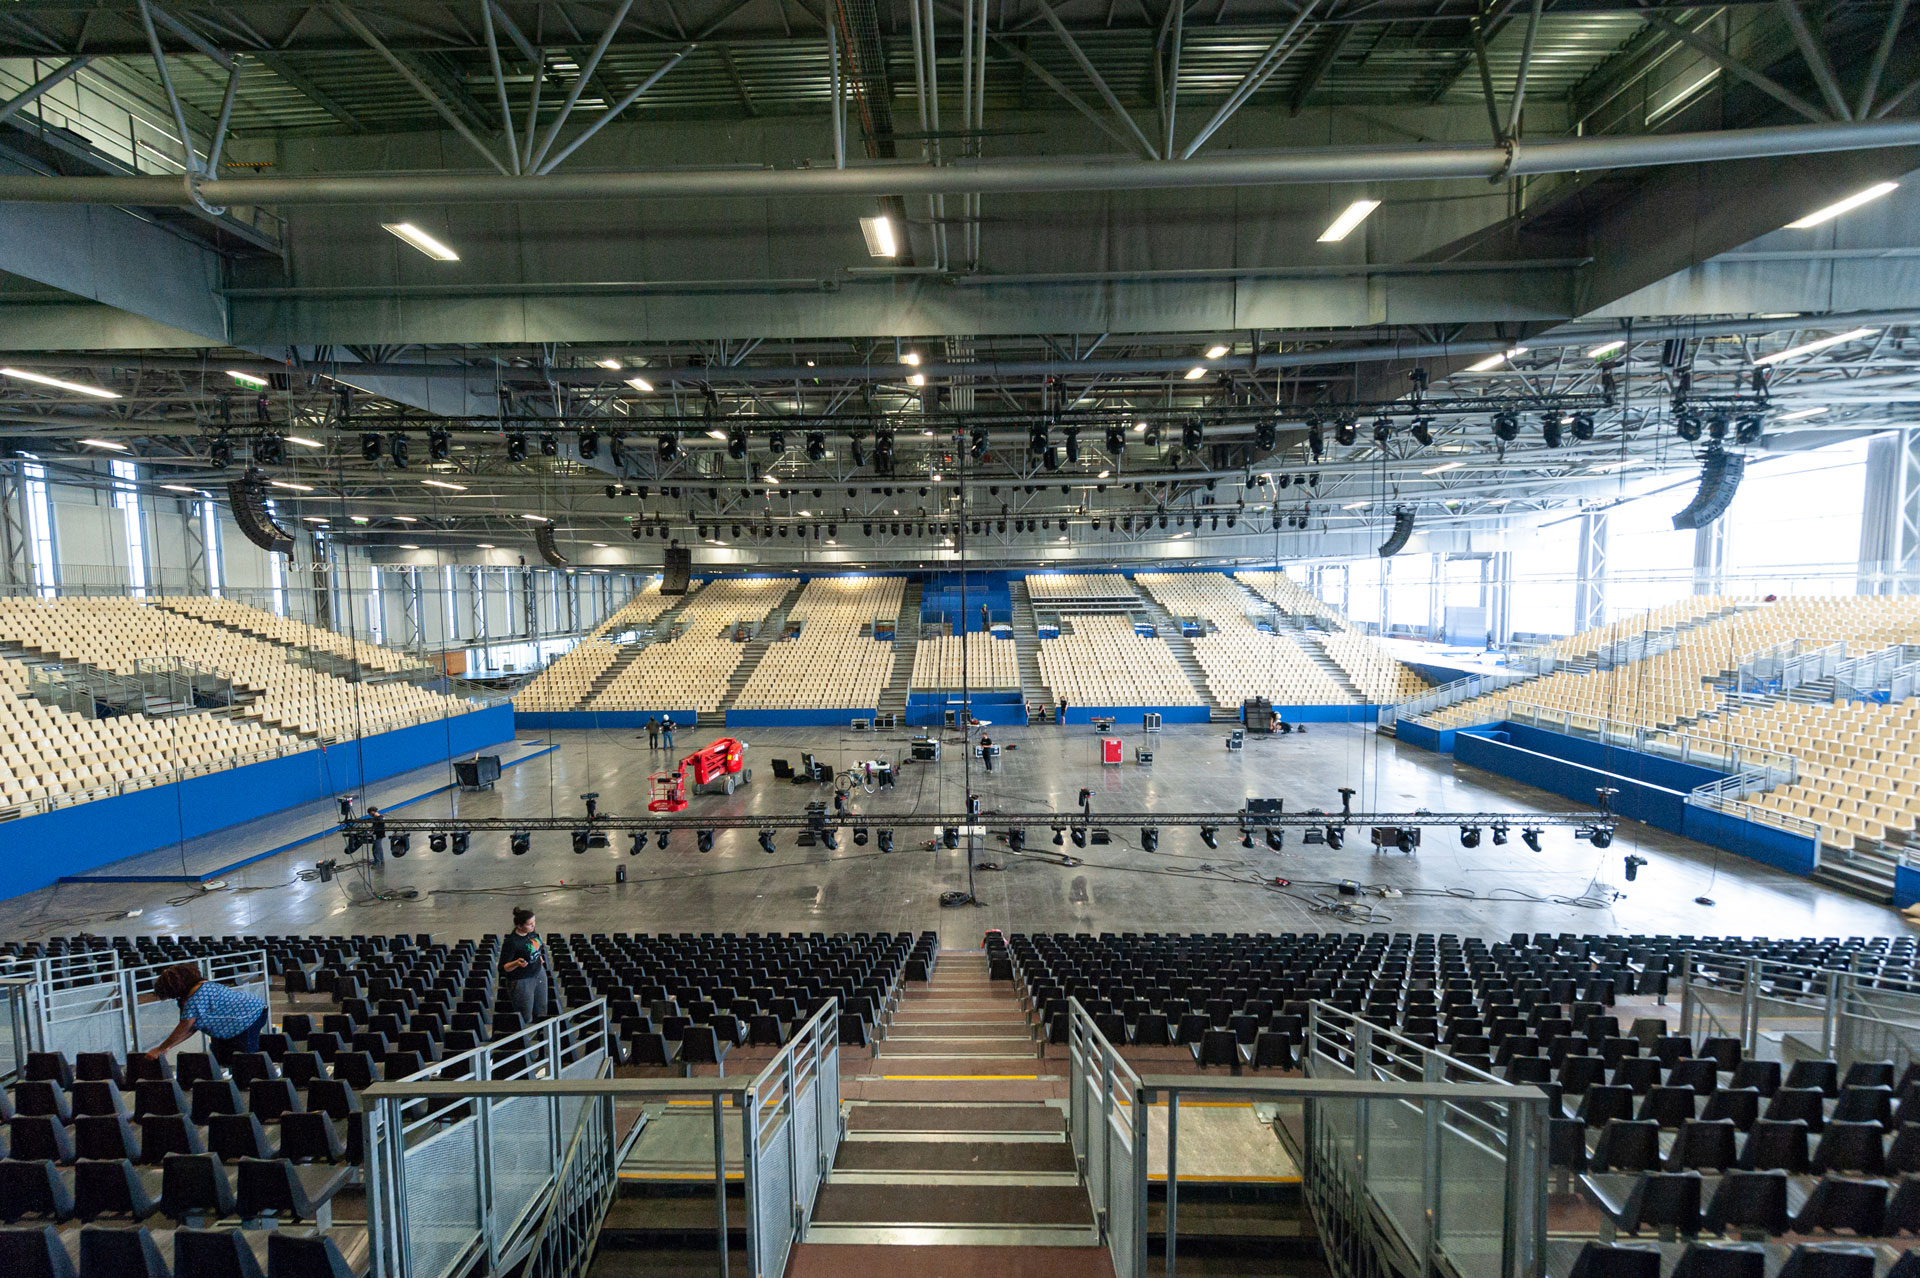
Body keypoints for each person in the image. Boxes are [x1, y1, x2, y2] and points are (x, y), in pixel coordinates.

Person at [140, 963, 269, 1060]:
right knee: (219, 1055)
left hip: (250, 1014)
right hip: (237, 1018)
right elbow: (191, 1028)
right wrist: (168, 1046)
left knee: (243, 1056)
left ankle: (249, 1081)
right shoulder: (194, 993)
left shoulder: (196, 998)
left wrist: (160, 1048)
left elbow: (185, 1026)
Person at [501, 907, 549, 1023]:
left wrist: (538, 956)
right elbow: (503, 967)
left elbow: (534, 944)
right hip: (522, 979)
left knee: (541, 1008)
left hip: (538, 972)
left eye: (534, 922)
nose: (533, 926)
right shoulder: (512, 942)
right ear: (519, 926)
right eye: (529, 924)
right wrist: (516, 963)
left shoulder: (530, 932)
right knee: (525, 1014)